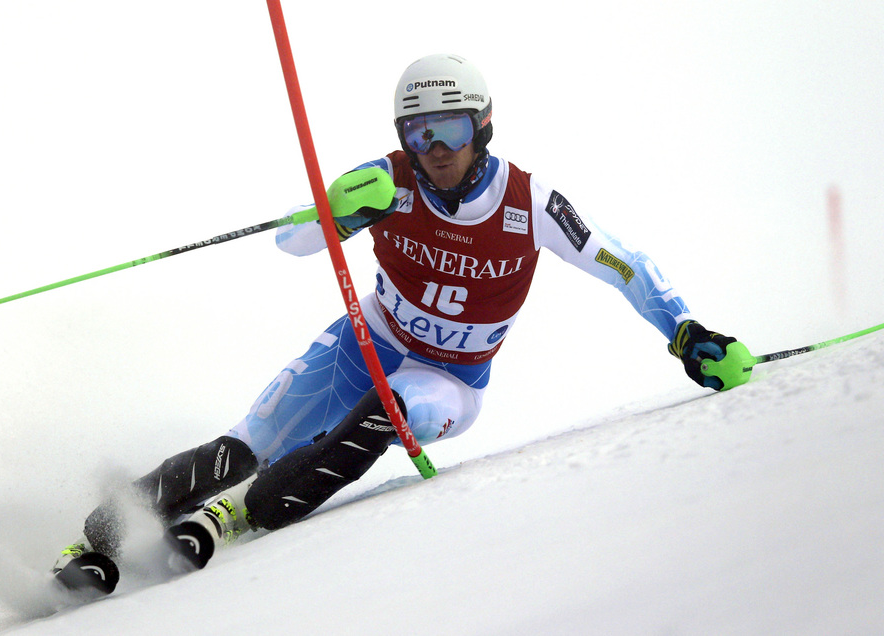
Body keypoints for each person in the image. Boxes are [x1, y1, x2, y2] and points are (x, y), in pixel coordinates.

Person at [50, 53, 751, 594]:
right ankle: (92, 542)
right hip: (362, 344)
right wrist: (341, 211)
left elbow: (624, 263)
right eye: (418, 133)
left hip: (445, 381)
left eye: (448, 130)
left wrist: (686, 333)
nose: (434, 149)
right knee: (245, 443)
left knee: (385, 412)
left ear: (481, 128)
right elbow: (290, 243)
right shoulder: (391, 179)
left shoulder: (529, 202)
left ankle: (230, 517)